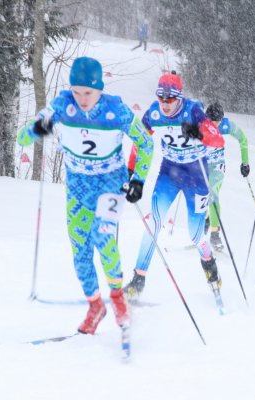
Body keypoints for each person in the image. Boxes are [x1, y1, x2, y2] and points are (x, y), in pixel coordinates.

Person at [17, 56, 154, 335]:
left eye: (88, 92)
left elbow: (146, 142)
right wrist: (36, 129)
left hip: (110, 185)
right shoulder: (61, 106)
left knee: (103, 238)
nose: (82, 99)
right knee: (80, 251)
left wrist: (137, 179)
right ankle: (95, 306)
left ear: (100, 89)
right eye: (77, 91)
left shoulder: (115, 110)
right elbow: (22, 138)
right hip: (78, 188)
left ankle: (117, 299)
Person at [124, 71, 225, 299]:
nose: (165, 104)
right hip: (169, 172)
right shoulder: (153, 113)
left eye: (170, 99)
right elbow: (139, 142)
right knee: (155, 221)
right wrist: (131, 171)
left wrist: (198, 133)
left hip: (196, 174)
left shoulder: (193, 110)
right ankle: (138, 279)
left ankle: (209, 264)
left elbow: (218, 139)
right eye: (161, 98)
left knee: (195, 233)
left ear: (179, 97)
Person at [204, 102, 250, 251]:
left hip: (217, 167)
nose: (214, 125)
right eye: (211, 122)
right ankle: (207, 218)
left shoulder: (226, 125)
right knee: (201, 196)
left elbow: (243, 139)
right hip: (202, 166)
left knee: (213, 194)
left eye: (217, 122)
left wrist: (245, 162)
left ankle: (215, 234)